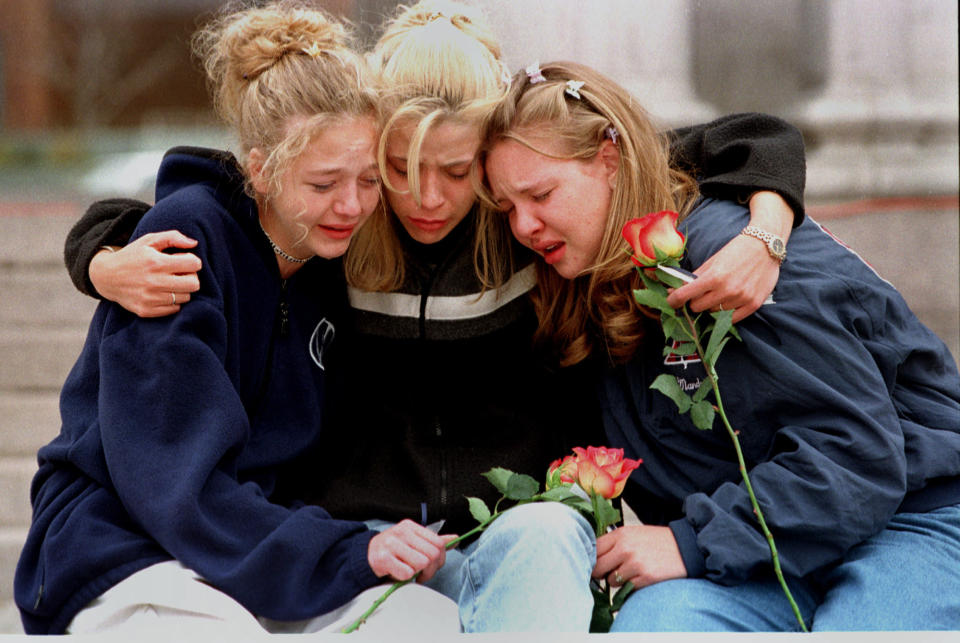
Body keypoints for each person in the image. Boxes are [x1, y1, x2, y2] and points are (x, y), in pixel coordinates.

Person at [59, 1, 810, 631]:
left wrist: (766, 231)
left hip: (517, 523)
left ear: (490, 151)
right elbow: (217, 201)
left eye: (456, 171)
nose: (426, 198)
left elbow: (747, 140)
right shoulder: (341, 221)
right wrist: (102, 254)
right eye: (399, 168)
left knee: (548, 535)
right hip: (361, 535)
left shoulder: (518, 215)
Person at [15, 2, 461, 635]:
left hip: (247, 551)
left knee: (420, 620)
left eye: (367, 179)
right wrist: (338, 550)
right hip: (124, 546)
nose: (353, 205)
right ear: (260, 169)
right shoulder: (186, 244)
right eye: (324, 183)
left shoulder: (326, 261)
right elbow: (173, 481)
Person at [482, 60, 960, 631]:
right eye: (508, 207)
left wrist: (689, 543)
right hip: (761, 555)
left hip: (910, 519)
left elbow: (858, 453)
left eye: (541, 194)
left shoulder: (722, 260)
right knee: (655, 627)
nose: (524, 227)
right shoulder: (587, 283)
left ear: (608, 161)